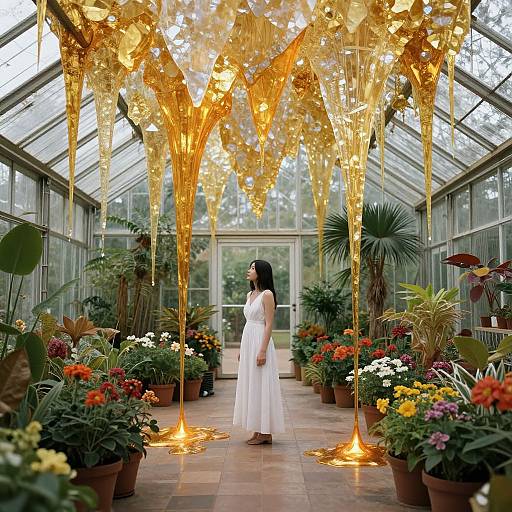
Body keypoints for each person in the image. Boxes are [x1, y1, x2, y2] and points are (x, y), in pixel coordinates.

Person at [233, 259, 285, 444]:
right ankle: (257, 429)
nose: (249, 270)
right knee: (252, 384)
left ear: (261, 273)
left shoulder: (267, 295)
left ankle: (266, 432)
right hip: (249, 341)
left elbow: (269, 323)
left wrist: (262, 350)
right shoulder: (250, 294)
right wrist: (242, 348)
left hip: (260, 341)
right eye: (250, 267)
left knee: (261, 384)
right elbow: (248, 323)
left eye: (253, 268)